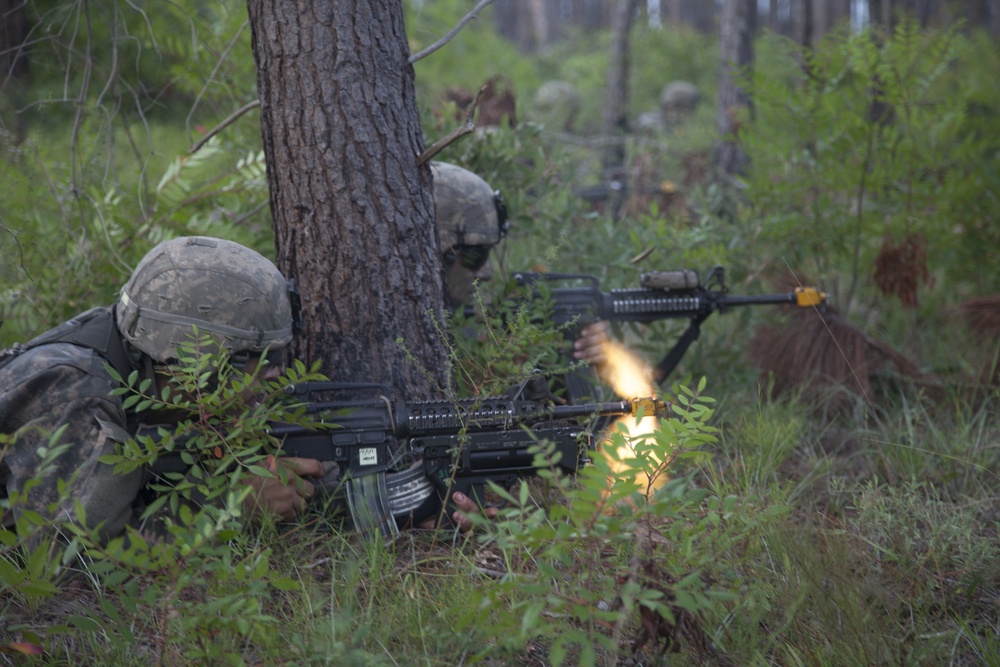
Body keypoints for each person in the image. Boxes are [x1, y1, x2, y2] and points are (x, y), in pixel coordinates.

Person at [0, 235, 484, 546]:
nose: (273, 376)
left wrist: (414, 504)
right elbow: (68, 560)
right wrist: (226, 509)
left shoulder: (145, 362)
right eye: (260, 360)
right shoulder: (72, 392)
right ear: (196, 360)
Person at [430, 161, 610, 380]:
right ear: (435, 253)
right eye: (475, 255)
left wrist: (593, 356)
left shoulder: (481, 325)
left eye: (489, 252)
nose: (486, 273)